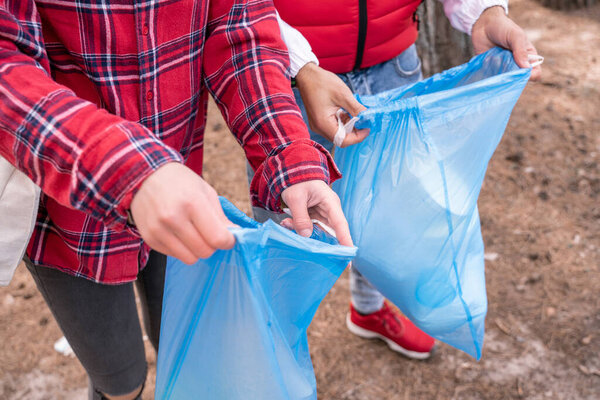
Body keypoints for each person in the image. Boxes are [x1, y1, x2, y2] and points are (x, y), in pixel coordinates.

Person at [0, 1, 353, 399]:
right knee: (120, 380)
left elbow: (238, 26)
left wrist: (288, 152)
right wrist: (127, 168)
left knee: (180, 336)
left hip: (180, 197)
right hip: (69, 219)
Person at [246, 0, 542, 360]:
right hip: (286, 78)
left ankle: (368, 311)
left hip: (393, 66)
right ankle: (278, 344)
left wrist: (483, 11)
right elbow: (239, 9)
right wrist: (299, 65)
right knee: (291, 223)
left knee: (387, 214)